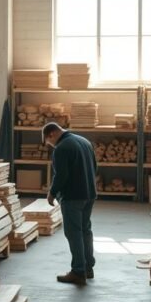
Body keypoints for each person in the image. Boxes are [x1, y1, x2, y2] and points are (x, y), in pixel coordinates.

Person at [43, 122, 98, 285]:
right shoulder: (84, 141)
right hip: (89, 194)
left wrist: (52, 193)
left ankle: (78, 272)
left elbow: (61, 175)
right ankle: (88, 268)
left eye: (48, 142)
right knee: (85, 231)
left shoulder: (62, 148)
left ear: (51, 134)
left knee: (73, 233)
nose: (50, 145)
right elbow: (95, 167)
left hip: (73, 197)